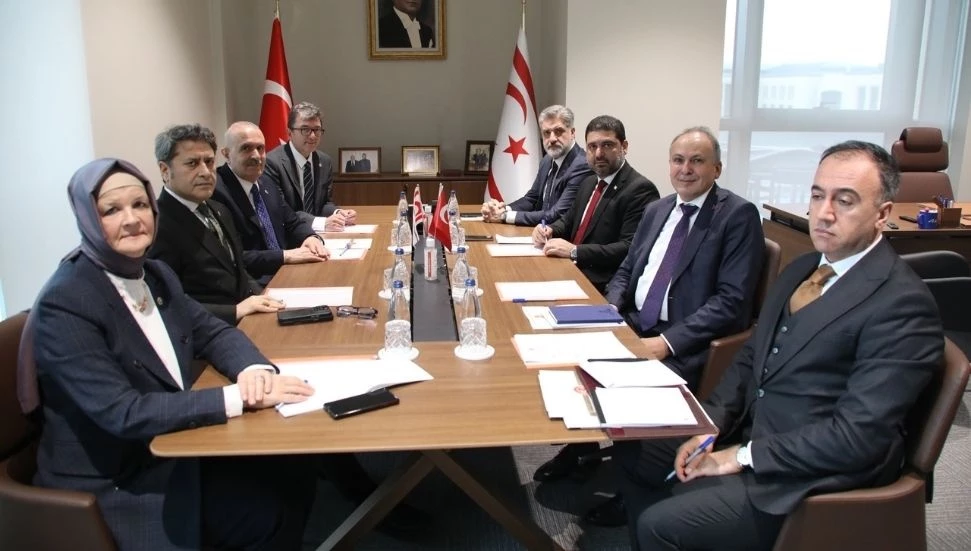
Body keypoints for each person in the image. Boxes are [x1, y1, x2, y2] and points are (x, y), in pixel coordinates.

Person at [614, 141, 944, 550]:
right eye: (818, 196)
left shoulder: (903, 304)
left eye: (845, 201)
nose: (824, 213)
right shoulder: (803, 267)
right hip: (753, 430)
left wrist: (742, 455)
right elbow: (750, 358)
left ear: (882, 214)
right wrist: (711, 426)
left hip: (811, 473)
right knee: (633, 452)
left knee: (660, 524)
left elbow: (857, 437)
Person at [21, 158, 317, 550]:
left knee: (297, 467)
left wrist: (253, 369)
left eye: (139, 204)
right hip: (121, 477)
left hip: (172, 443)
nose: (131, 220)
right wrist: (238, 397)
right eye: (111, 210)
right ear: (87, 218)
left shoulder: (155, 274)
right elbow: (123, 413)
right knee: (265, 513)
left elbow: (212, 332)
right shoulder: (67, 301)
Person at [568, 127, 766, 525]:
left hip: (686, 344)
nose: (685, 169)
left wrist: (667, 343)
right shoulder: (658, 209)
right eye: (678, 160)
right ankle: (578, 452)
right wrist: (609, 309)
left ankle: (632, 493)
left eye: (697, 161)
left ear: (717, 168)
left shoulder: (737, 216)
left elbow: (732, 302)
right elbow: (628, 270)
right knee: (569, 364)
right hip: (632, 325)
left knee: (618, 390)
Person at [149, 123, 284, 325]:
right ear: (165, 170)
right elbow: (166, 302)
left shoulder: (219, 209)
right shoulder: (155, 226)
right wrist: (235, 311)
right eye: (192, 163)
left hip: (250, 316)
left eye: (209, 161)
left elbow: (238, 270)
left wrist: (263, 296)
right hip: (209, 330)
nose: (205, 172)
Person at [532, 115, 660, 293]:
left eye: (607, 145)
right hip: (569, 270)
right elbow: (568, 221)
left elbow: (629, 247)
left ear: (624, 147)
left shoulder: (640, 189)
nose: (598, 153)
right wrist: (549, 229)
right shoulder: (589, 182)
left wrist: (575, 251)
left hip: (600, 283)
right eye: (592, 146)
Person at [213, 121, 330, 284]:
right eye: (246, 148)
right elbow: (233, 256)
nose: (256, 156)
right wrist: (284, 256)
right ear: (226, 154)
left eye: (260, 148)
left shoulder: (265, 182)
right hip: (254, 282)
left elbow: (292, 222)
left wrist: (310, 237)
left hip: (285, 272)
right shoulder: (216, 192)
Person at [482, 105, 593, 226]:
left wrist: (504, 216)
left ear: (572, 132)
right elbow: (532, 199)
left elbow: (556, 214)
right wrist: (503, 209)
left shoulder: (582, 165)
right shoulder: (547, 160)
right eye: (546, 133)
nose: (552, 139)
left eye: (558, 131)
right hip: (540, 232)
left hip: (562, 235)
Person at [262, 102, 356, 232]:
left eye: (317, 130)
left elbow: (324, 203)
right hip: (288, 234)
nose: (312, 136)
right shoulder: (272, 162)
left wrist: (338, 213)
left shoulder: (324, 161)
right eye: (305, 129)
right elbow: (281, 209)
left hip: (319, 233)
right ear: (289, 132)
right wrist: (321, 223)